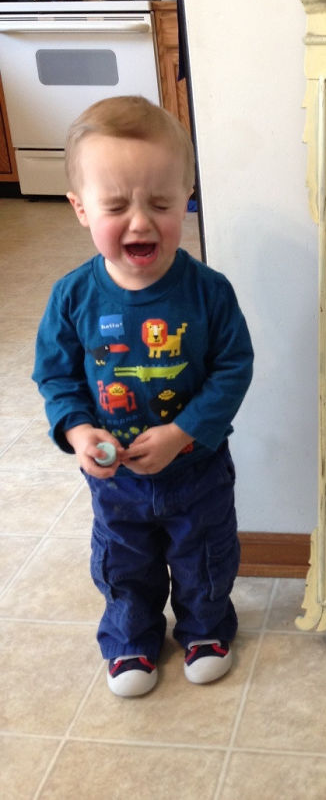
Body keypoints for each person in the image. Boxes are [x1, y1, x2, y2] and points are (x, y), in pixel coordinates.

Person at [33, 95, 254, 698]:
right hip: (117, 479)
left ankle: (206, 629)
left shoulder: (209, 293)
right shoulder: (72, 297)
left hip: (197, 467)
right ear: (80, 208)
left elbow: (233, 368)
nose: (140, 223)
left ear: (186, 199)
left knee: (205, 554)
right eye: (116, 206)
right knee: (122, 560)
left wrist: (182, 432)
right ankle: (130, 638)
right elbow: (56, 376)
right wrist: (80, 431)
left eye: (160, 204)